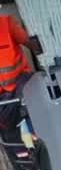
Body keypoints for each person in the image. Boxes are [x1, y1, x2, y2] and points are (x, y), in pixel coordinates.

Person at [0, 10, 33, 157]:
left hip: (21, 83)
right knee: (9, 130)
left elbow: (30, 42)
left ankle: (36, 151)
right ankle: (26, 163)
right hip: (2, 100)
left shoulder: (6, 24)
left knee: (31, 114)